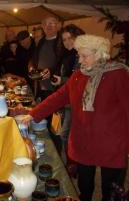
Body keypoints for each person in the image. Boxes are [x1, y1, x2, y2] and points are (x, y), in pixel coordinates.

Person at [22, 34, 129, 201]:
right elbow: (58, 97)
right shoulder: (78, 75)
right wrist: (33, 114)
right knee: (84, 186)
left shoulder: (118, 74)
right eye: (79, 55)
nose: (80, 60)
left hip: (111, 142)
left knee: (111, 189)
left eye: (85, 56)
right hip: (84, 140)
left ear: (99, 54)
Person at [51, 24, 85, 167]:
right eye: (64, 40)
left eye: (70, 38)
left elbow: (82, 78)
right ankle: (72, 163)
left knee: (66, 134)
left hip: (78, 102)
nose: (67, 42)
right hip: (68, 99)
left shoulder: (82, 54)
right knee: (64, 133)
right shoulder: (69, 54)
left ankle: (73, 164)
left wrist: (63, 80)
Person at [29, 16, 62, 153]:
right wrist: (31, 66)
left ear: (58, 26)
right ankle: (46, 150)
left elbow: (64, 63)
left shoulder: (61, 42)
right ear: (43, 26)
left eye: (52, 23)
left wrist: (52, 71)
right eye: (46, 24)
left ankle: (57, 154)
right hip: (42, 88)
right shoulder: (41, 42)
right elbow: (34, 59)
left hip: (56, 90)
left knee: (56, 126)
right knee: (44, 123)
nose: (49, 26)